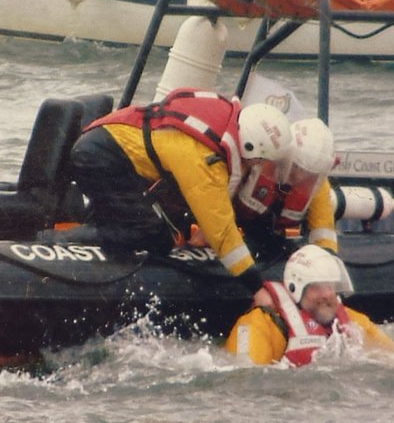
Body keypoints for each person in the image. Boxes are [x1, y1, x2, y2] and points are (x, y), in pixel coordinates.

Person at [68, 89, 292, 303]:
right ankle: (76, 239)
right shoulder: (203, 160)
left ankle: (97, 228)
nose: (258, 166)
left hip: (109, 145)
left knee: (154, 220)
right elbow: (222, 233)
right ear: (251, 147)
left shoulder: (223, 120)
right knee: (155, 234)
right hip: (101, 159)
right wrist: (256, 287)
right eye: (260, 161)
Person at [225, 245, 394, 366]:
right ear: (296, 288)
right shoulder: (256, 325)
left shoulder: (353, 322)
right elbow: (245, 381)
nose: (327, 294)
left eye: (330, 286)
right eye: (317, 287)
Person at [233, 117, 340, 259]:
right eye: (296, 166)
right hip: (235, 230)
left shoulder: (318, 185)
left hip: (274, 241)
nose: (299, 176)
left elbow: (323, 229)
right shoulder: (256, 161)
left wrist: (326, 256)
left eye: (307, 172)